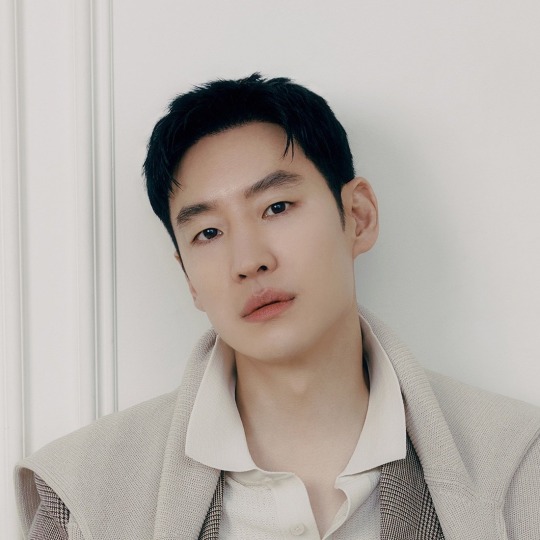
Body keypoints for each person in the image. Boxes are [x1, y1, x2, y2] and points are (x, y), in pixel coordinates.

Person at [15, 74, 540, 539]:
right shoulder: (85, 498)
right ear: (188, 278)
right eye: (208, 233)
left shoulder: (518, 463)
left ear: (357, 216)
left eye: (277, 206)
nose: (249, 261)